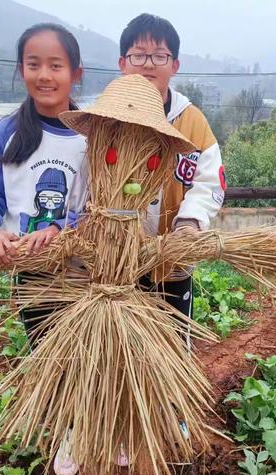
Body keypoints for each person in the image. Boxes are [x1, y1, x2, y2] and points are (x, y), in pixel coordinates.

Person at [0, 23, 87, 475]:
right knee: (49, 353)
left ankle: (97, 423)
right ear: (21, 71)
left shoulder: (88, 137)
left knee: (87, 352)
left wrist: (60, 226)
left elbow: (96, 205)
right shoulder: (5, 133)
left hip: (80, 269)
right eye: (33, 64)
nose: (44, 75)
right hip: (30, 272)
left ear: (74, 73)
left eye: (55, 65)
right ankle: (71, 429)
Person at [119, 13, 226, 321]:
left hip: (173, 265)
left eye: (159, 55)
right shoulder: (106, 121)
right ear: (122, 63)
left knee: (174, 347)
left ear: (174, 65)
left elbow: (209, 180)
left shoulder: (191, 121)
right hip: (119, 266)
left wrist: (190, 222)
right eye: (138, 55)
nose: (148, 64)